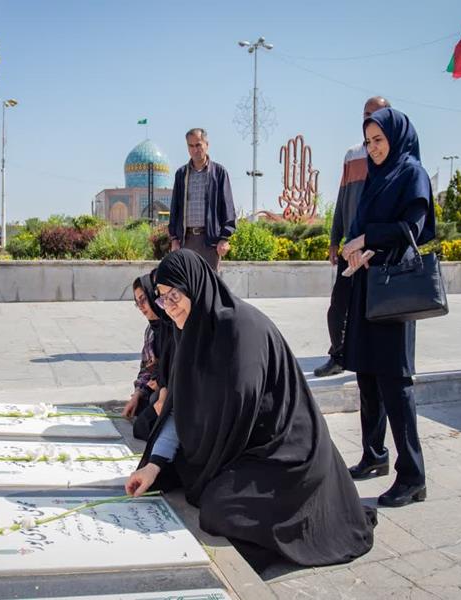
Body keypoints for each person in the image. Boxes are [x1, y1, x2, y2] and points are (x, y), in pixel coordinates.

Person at [125, 249, 376, 571]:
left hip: (285, 453)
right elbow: (181, 407)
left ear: (195, 286)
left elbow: (238, 411)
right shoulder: (189, 331)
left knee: (219, 508)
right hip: (242, 444)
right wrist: (154, 464)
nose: (169, 306)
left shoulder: (238, 328)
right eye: (162, 298)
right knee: (178, 473)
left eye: (174, 294)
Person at [340, 107, 435, 507]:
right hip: (367, 285)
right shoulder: (376, 177)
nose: (373, 148)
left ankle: (413, 476)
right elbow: (361, 226)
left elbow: (411, 229)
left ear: (396, 138)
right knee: (367, 376)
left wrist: (366, 241)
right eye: (368, 142)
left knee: (396, 384)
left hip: (394, 291)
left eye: (379, 140)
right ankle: (374, 454)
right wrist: (355, 250)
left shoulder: (411, 173)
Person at [315, 96, 391, 377]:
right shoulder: (352, 155)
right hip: (350, 249)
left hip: (377, 251)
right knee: (338, 306)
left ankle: (374, 358)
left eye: (376, 113)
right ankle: (338, 356)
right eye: (366, 114)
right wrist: (335, 239)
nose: (370, 118)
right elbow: (343, 198)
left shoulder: (392, 156)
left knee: (377, 309)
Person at [168, 128, 236, 271]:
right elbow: (175, 208)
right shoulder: (181, 174)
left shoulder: (219, 173)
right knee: (187, 282)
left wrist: (224, 238)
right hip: (186, 241)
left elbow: (228, 207)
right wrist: (174, 239)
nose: (195, 150)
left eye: (198, 145)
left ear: (207, 145)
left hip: (210, 242)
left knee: (209, 282)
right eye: (191, 146)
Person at [122, 272, 175, 441]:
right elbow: (145, 368)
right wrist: (137, 393)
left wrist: (162, 381)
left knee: (147, 417)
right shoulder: (152, 330)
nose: (141, 306)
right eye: (137, 302)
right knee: (141, 406)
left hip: (174, 390)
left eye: (143, 299)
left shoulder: (174, 324)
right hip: (160, 388)